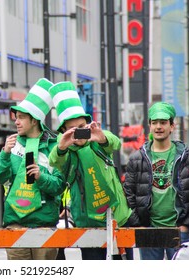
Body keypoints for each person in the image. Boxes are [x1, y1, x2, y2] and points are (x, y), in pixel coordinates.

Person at [48, 81, 132, 260]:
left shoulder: (98, 141)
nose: (78, 133)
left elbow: (115, 142)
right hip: (87, 223)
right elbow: (54, 160)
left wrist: (101, 138)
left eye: (81, 127)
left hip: (117, 217)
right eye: (72, 129)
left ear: (88, 124)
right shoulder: (64, 150)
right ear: (63, 131)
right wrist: (63, 146)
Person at [0, 78, 65, 260]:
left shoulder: (55, 146)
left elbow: (58, 185)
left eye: (22, 117)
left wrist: (41, 177)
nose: (17, 122)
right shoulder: (12, 144)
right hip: (14, 222)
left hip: (44, 223)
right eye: (16, 118)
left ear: (35, 120)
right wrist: (5, 153)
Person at [123, 102, 189, 260]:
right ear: (149, 126)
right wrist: (139, 225)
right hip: (148, 230)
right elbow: (128, 194)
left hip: (178, 231)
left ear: (172, 126)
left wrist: (186, 225)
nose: (158, 127)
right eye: (154, 123)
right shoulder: (136, 159)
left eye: (163, 122)